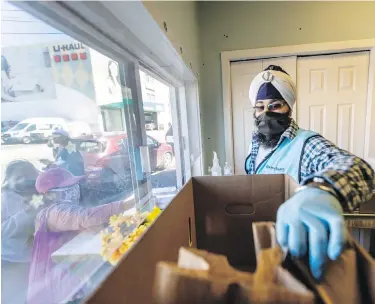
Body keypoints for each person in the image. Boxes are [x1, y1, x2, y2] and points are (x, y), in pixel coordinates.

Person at [246, 65, 375, 280]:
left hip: (296, 245)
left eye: (275, 105)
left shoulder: (306, 143)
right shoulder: (256, 144)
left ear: (289, 107)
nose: (266, 113)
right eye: (260, 107)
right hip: (262, 241)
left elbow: (356, 166)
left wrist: (323, 188)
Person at [27, 167, 134, 304]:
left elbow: (85, 224)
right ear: (49, 194)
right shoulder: (54, 212)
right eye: (67, 187)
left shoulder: (57, 210)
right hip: (58, 277)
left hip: (69, 269)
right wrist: (128, 204)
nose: (73, 190)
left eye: (74, 186)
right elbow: (86, 218)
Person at [1, 160, 41, 304]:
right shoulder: (4, 199)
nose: (24, 180)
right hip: (12, 261)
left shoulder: (39, 195)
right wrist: (25, 214)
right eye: (18, 177)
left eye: (28, 176)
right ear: (8, 180)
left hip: (34, 258)